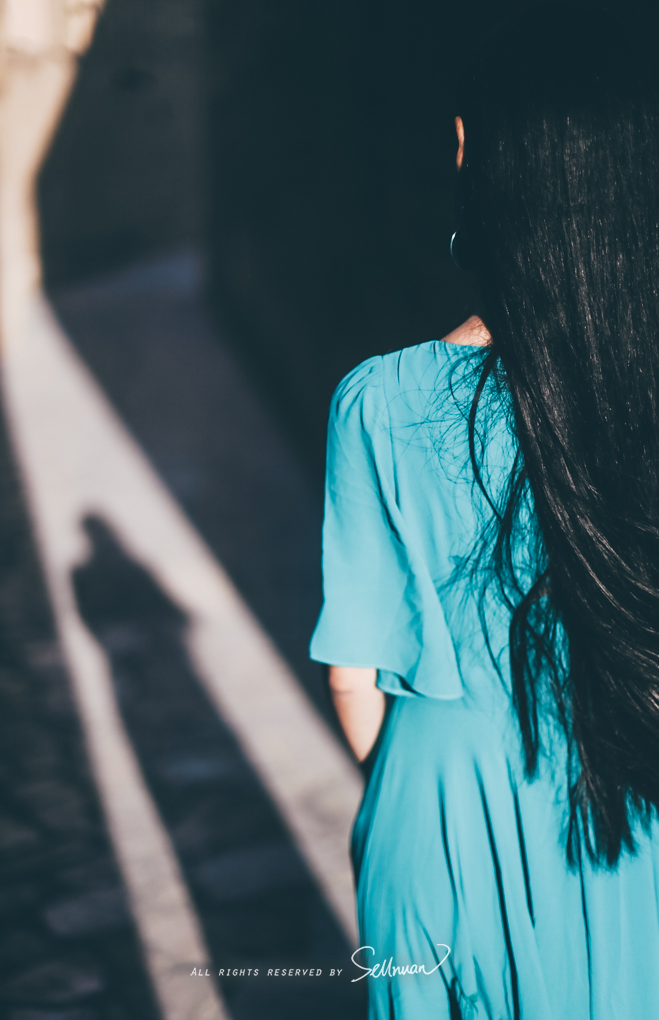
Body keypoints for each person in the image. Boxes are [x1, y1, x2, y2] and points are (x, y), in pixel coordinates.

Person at [309, 6, 659, 1018]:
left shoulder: (377, 400)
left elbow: (354, 677)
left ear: (475, 156)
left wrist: (423, 802)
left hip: (436, 820)